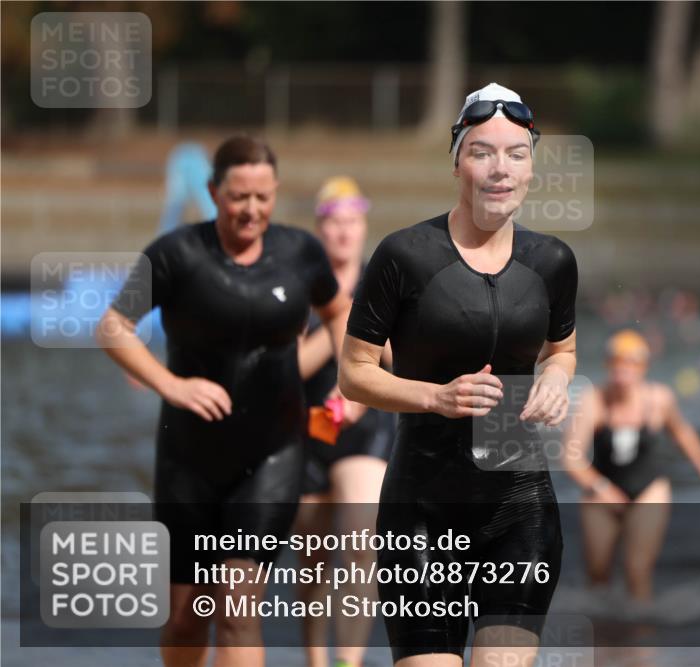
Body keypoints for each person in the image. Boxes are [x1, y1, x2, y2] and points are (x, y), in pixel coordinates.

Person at [338, 82, 577, 666]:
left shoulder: (552, 262)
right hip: (422, 511)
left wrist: (556, 378)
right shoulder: (404, 255)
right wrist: (435, 398)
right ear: (458, 165)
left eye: (516, 155)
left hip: (519, 509)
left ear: (531, 171)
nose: (501, 169)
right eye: (482, 152)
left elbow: (563, 352)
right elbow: (354, 374)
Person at [96, 136, 351, 667]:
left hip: (274, 452)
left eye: (262, 197)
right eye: (238, 197)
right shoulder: (175, 254)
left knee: (237, 605)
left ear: (275, 193)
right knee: (189, 612)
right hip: (189, 456)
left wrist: (345, 385)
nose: (251, 210)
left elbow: (340, 314)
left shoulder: (301, 252)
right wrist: (172, 385)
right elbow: (113, 326)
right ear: (214, 192)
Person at [294, 176, 395, 667]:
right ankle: (317, 660)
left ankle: (348, 661)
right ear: (320, 228)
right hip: (308, 428)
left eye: (351, 223)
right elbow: (289, 367)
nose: (343, 233)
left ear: (363, 227)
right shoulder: (298, 288)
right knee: (312, 561)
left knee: (359, 543)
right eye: (333, 224)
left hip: (365, 429)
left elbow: (402, 356)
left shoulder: (383, 282)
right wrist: (341, 317)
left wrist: (357, 370)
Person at [562, 329, 700, 602]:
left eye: (631, 364)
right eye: (618, 363)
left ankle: (641, 634)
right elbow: (570, 457)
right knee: (597, 573)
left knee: (637, 568)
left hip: (648, 489)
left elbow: (683, 435)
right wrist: (601, 487)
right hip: (601, 491)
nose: (624, 371)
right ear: (608, 365)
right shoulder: (593, 400)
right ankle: (601, 632)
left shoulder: (659, 399)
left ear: (643, 367)